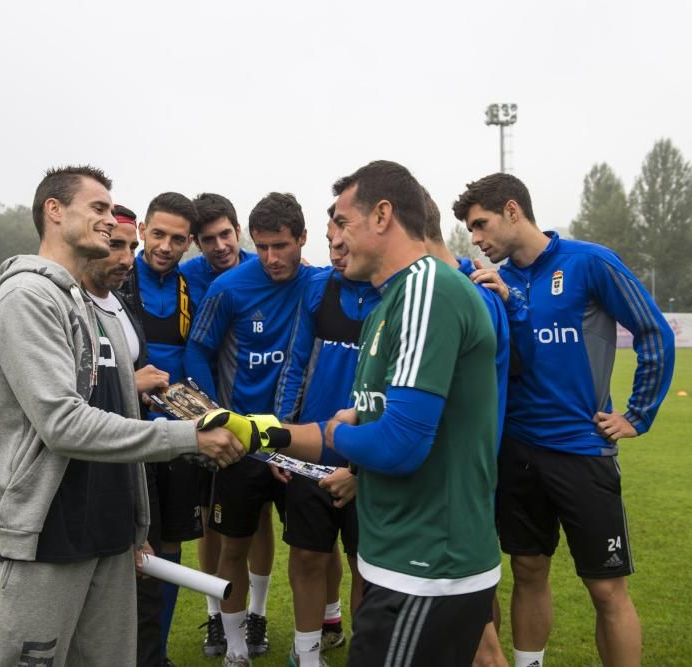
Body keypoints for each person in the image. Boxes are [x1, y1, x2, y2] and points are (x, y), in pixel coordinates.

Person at [210, 160, 502, 666]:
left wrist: (338, 437)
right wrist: (262, 433)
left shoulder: (426, 290)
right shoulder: (391, 302)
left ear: (383, 216)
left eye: (344, 223)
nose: (337, 241)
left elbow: (397, 443)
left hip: (426, 562)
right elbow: (361, 423)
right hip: (399, 558)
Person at [0, 165, 244, 667]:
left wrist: (136, 523)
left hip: (112, 532)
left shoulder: (98, 308)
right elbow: (63, 424)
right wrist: (188, 436)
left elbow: (117, 410)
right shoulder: (26, 297)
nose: (109, 219)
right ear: (54, 212)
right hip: (49, 533)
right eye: (98, 208)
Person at [453, 172, 675, 667]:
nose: (478, 240)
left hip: (581, 450)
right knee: (528, 569)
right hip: (517, 450)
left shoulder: (589, 262)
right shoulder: (496, 280)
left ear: (513, 210)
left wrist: (637, 415)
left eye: (481, 225)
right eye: (472, 231)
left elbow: (653, 331)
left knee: (605, 588)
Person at [185, 192, 322, 666]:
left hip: (297, 441)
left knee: (310, 549)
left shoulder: (321, 284)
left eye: (281, 246)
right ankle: (236, 648)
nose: (270, 258)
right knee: (232, 545)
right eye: (261, 246)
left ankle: (311, 634)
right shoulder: (229, 287)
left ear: (303, 239)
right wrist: (212, 415)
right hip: (241, 444)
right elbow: (197, 350)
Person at [272, 212, 381, 667]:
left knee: (366, 568)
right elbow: (295, 365)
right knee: (308, 556)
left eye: (344, 243)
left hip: (371, 460)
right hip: (313, 454)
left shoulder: (395, 292)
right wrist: (280, 436)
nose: (336, 252)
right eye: (330, 243)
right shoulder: (318, 289)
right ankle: (307, 654)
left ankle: (363, 653)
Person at [81, 205, 173, 667]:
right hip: (92, 467)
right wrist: (130, 385)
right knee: (99, 585)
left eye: (130, 247)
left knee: (148, 578)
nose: (126, 258)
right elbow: (70, 401)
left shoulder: (122, 300)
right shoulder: (66, 303)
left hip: (138, 458)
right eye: (115, 245)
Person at [421, 191, 510, 667]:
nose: (476, 239)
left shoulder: (458, 291)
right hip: (469, 477)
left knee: (476, 633)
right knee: (475, 599)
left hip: (455, 484)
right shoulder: (472, 287)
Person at [180, 192, 269, 658]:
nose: (219, 246)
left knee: (259, 523)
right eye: (208, 239)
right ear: (196, 243)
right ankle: (216, 616)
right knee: (213, 524)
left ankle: (257, 613)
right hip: (202, 417)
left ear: (239, 231)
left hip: (259, 425)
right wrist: (210, 411)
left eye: (225, 234)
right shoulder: (186, 276)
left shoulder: (263, 267)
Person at [126, 192, 206, 664]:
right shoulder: (118, 276)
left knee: (171, 543)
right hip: (126, 434)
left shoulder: (191, 286)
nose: (165, 246)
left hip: (178, 437)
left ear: (188, 243)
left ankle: (155, 654)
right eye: (158, 234)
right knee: (131, 547)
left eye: (177, 239)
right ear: (142, 231)